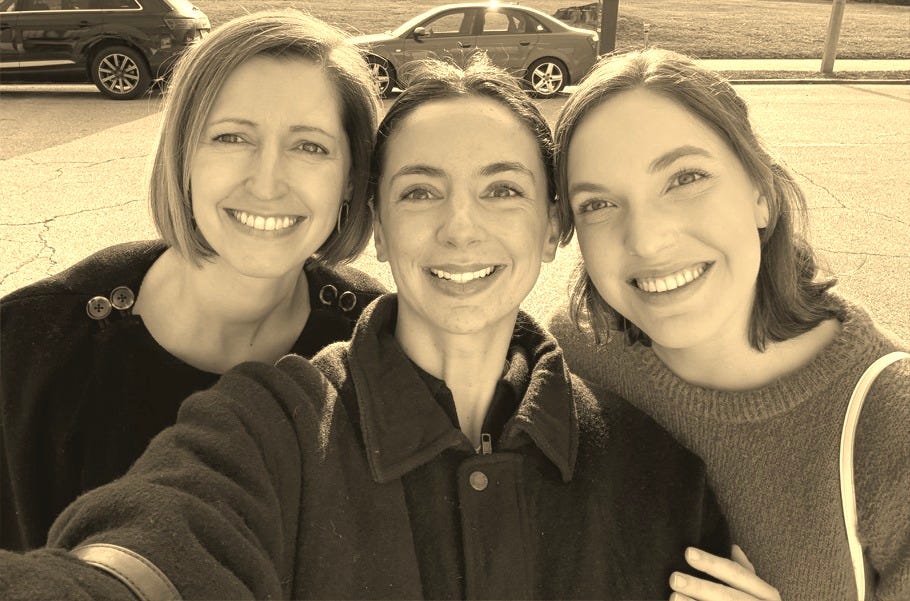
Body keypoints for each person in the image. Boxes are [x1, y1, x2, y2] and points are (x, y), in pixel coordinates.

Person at [1, 57, 729, 599]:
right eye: (420, 191)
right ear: (378, 228)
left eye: (502, 189)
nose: (460, 227)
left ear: (551, 229)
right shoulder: (268, 425)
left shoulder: (656, 468)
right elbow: (150, 551)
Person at [0, 10, 385, 552]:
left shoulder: (379, 342)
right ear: (182, 156)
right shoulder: (30, 347)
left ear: (350, 178)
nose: (267, 183)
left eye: (310, 146)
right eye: (231, 137)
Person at [547, 48, 910, 601]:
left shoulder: (890, 423)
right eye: (598, 204)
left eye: (685, 178)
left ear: (760, 193)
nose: (647, 240)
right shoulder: (576, 357)